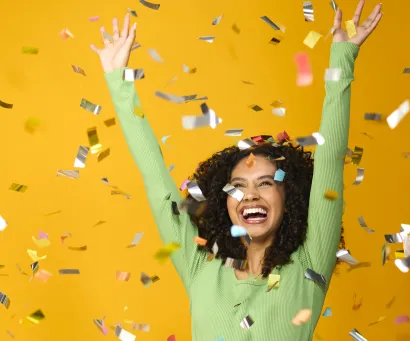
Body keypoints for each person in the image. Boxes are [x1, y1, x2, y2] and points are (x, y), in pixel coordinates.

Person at [91, 1, 382, 340]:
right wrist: (118, 81)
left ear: (290, 197)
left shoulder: (310, 262)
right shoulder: (200, 264)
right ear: (223, 201)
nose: (251, 195)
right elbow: (156, 179)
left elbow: (330, 156)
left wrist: (342, 58)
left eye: (265, 183)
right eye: (239, 185)